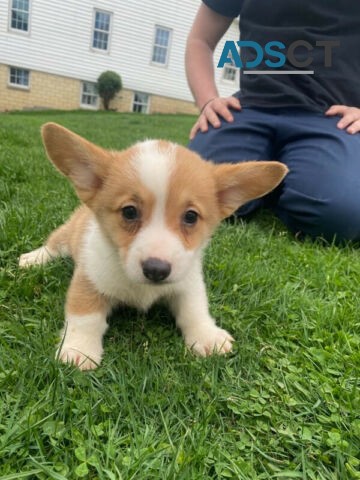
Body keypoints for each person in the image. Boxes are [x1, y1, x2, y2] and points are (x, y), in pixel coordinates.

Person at [186, 0, 360, 243]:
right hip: (248, 109)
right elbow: (200, 41)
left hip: (329, 117)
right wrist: (207, 100)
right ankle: (291, 175)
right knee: (196, 194)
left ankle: (301, 177)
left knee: (340, 216)